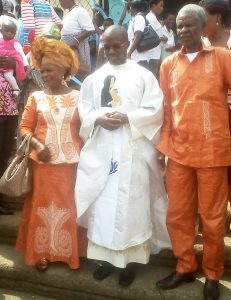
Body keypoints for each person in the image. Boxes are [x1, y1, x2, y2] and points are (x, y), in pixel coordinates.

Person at [75, 25, 170, 287]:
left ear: (127, 43)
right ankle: (105, 260)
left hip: (133, 149)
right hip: (103, 150)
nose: (112, 51)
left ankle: (130, 262)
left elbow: (155, 109)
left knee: (132, 206)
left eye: (117, 45)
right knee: (103, 205)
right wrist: (98, 118)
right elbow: (85, 110)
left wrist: (129, 117)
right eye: (107, 46)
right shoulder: (94, 78)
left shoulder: (143, 76)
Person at [155, 4, 231, 300]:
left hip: (213, 151)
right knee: (178, 215)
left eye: (190, 25)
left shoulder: (222, 58)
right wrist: (162, 147)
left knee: (212, 218)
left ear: (203, 27)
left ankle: (212, 273)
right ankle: (185, 266)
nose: (184, 30)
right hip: (178, 151)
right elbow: (163, 109)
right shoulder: (168, 64)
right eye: (180, 26)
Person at [16, 36, 84, 271]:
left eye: (49, 70)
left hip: (71, 164)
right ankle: (42, 252)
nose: (44, 75)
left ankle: (69, 253)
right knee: (42, 206)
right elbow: (24, 128)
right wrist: (37, 145)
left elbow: (86, 129)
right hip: (43, 164)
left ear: (63, 69)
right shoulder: (36, 98)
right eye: (42, 71)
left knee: (69, 205)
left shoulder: (78, 97)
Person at [0, 0, 17, 215]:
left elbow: (21, 75)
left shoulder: (14, 46)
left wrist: (14, 65)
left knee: (4, 153)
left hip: (10, 106)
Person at [59, 0, 95, 80]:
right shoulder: (69, 13)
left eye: (61, 0)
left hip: (76, 46)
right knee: (69, 72)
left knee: (79, 71)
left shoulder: (80, 11)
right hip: (68, 47)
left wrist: (76, 40)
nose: (60, 2)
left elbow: (89, 29)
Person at [0, 17, 28, 98]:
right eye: (7, 31)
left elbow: (22, 54)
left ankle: (16, 89)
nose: (9, 33)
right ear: (1, 30)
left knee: (8, 76)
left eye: (12, 32)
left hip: (10, 64)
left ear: (15, 33)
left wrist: (25, 64)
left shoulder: (15, 43)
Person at [127, 0, 154, 69]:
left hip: (140, 58)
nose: (130, 10)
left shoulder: (139, 18)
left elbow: (138, 35)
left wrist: (129, 52)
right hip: (136, 57)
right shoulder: (135, 18)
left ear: (135, 9)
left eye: (130, 7)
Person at [146, 0, 167, 78]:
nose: (162, 8)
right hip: (152, 54)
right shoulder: (151, 18)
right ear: (154, 6)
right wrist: (162, 38)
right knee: (152, 79)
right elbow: (150, 37)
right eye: (160, 5)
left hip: (156, 53)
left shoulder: (153, 18)